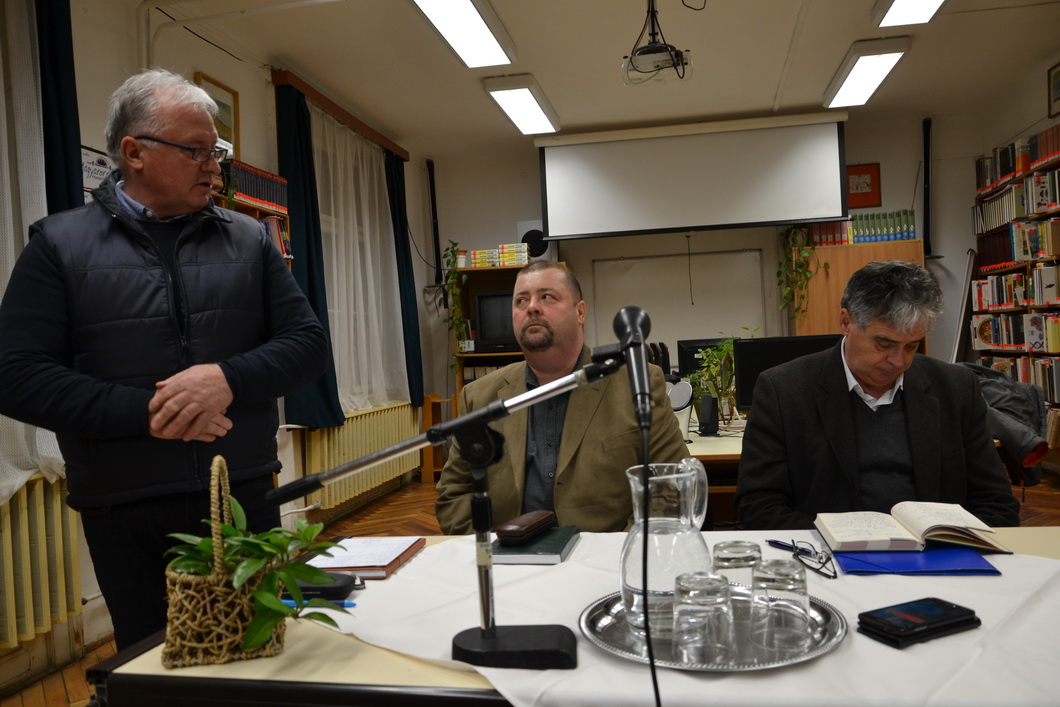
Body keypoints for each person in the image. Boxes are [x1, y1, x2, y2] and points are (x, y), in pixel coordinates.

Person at [0, 69, 329, 649]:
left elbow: (307, 345)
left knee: (255, 657)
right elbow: (16, 376)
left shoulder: (250, 241)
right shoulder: (57, 245)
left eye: (216, 152)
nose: (214, 168)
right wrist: (152, 412)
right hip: (125, 509)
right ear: (135, 153)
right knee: (152, 665)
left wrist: (227, 379)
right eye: (197, 150)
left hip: (238, 497)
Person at [736, 260, 1020, 531]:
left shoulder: (956, 388)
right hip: (828, 556)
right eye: (884, 344)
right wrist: (836, 543)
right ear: (846, 322)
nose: (898, 361)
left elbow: (996, 503)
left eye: (911, 346)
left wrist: (953, 545)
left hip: (937, 554)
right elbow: (759, 507)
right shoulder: (783, 390)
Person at [435, 260, 689, 535]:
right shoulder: (479, 396)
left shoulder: (637, 383)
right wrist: (490, 550)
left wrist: (621, 550)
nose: (532, 307)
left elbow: (672, 483)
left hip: (605, 554)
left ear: (580, 312)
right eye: (521, 300)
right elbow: (454, 495)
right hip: (509, 556)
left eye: (547, 297)